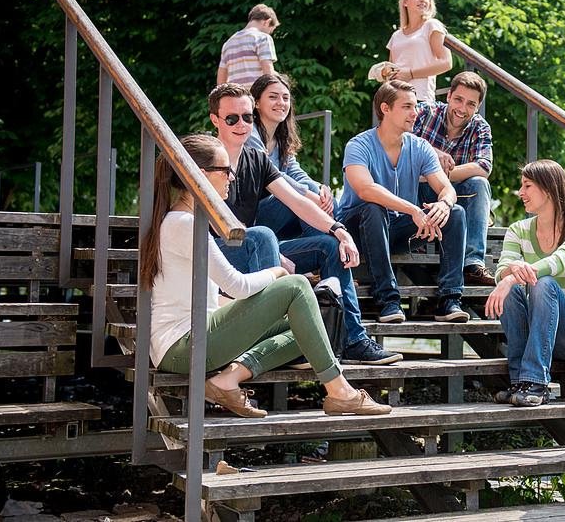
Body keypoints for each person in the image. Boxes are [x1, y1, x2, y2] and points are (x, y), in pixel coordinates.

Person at [141, 134, 391, 418]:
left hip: (195, 337)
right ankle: (341, 393)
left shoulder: (189, 221)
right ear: (201, 175)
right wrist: (277, 273)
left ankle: (227, 379)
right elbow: (237, 286)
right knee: (296, 286)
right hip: (181, 348)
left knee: (310, 324)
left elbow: (214, 298)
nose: (232, 178)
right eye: (225, 171)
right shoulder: (184, 224)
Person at [209, 83, 402, 366]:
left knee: (328, 246)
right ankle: (269, 343)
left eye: (247, 117)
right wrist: (274, 254)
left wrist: (340, 230)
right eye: (232, 118)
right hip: (213, 252)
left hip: (253, 249)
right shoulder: (204, 156)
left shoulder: (257, 159)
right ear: (215, 119)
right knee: (262, 235)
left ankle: (354, 340)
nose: (242, 124)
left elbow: (297, 201)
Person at [334, 80, 468, 324]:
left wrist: (444, 205)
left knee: (456, 213)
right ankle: (388, 300)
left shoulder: (420, 147)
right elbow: (366, 190)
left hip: (396, 230)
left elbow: (446, 188)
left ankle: (449, 299)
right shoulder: (358, 145)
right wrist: (413, 209)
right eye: (407, 107)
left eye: (415, 107)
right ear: (385, 109)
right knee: (373, 208)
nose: (415, 113)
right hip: (357, 231)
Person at [484, 160, 565, 408]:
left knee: (543, 283)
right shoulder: (518, 230)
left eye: (527, 186)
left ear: (548, 188)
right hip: (536, 330)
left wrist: (512, 275)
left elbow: (563, 258)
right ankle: (520, 382)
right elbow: (502, 268)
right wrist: (507, 277)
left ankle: (536, 383)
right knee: (511, 289)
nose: (520, 193)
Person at [413, 71, 495, 286]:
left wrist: (438, 175)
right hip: (414, 190)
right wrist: (432, 153)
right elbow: (398, 138)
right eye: (458, 99)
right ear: (448, 96)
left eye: (470, 104)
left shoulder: (480, 126)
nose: (462, 108)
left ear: (477, 107)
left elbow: (484, 166)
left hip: (449, 194)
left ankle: (472, 264)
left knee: (479, 183)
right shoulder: (425, 111)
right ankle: (415, 245)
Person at [246, 72, 334, 239]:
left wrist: (321, 189)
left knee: (327, 200)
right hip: (255, 216)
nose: (281, 103)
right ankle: (325, 242)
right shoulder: (249, 135)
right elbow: (275, 176)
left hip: (282, 214)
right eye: (273, 97)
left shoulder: (281, 138)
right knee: (299, 198)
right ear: (256, 102)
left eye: (285, 98)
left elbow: (295, 172)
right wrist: (310, 196)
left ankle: (328, 243)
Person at [381, 0, 452, 104]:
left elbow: (446, 62)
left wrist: (410, 74)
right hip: (395, 100)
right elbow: (391, 70)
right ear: (405, 2)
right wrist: (384, 73)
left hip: (420, 99)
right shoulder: (396, 36)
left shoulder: (431, 25)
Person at [216, 4, 279, 88]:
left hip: (236, 97)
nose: (269, 33)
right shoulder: (263, 38)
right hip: (255, 95)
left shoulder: (228, 43)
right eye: (270, 30)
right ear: (267, 22)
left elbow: (221, 78)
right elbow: (268, 71)